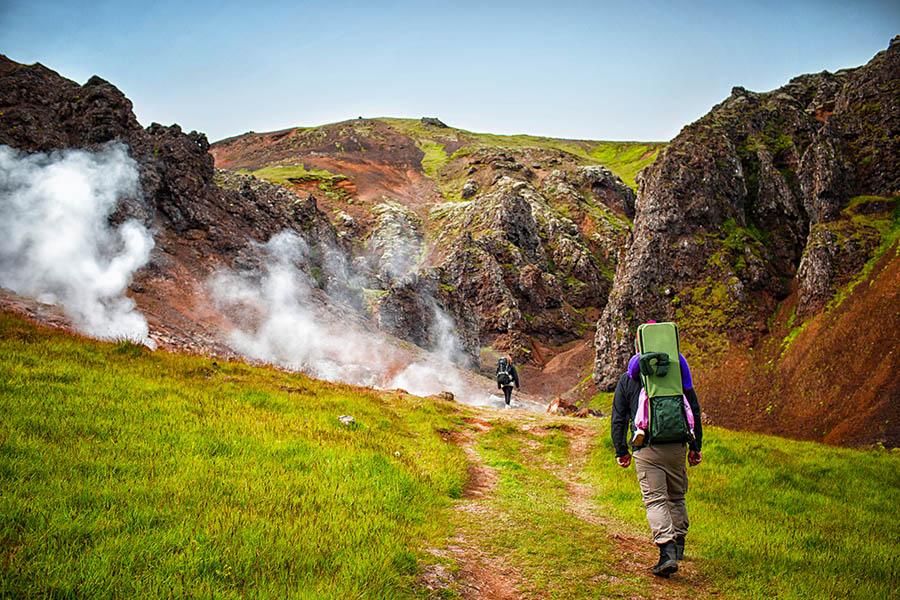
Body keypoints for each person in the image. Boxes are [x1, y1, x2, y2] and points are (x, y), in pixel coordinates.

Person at [611, 352, 703, 578]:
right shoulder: (677, 372)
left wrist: (621, 450)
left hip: (646, 448)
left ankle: (667, 551)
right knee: (676, 496)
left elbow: (619, 417)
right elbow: (694, 409)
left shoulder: (629, 377)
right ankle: (679, 543)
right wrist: (695, 446)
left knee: (655, 500)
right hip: (677, 446)